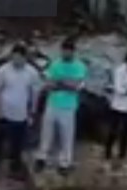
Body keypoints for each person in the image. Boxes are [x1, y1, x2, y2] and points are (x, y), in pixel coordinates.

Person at [0, 44, 41, 184]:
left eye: (19, 58)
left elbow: (35, 93)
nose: (16, 61)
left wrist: (32, 111)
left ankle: (15, 171)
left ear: (24, 58)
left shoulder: (31, 72)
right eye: (14, 57)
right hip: (3, 114)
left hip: (21, 115)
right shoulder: (4, 70)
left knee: (17, 145)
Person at [34, 37, 88, 175]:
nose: (66, 54)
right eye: (64, 51)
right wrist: (64, 83)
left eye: (68, 51)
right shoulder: (55, 63)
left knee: (66, 135)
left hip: (68, 106)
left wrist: (60, 83)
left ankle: (65, 163)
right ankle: (41, 158)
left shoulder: (79, 66)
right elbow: (49, 83)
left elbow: (76, 86)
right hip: (52, 103)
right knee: (46, 133)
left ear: (73, 52)